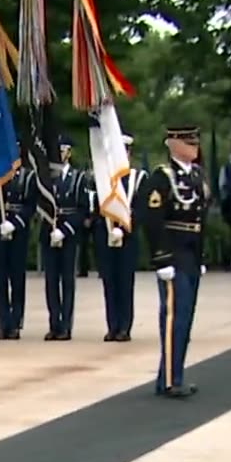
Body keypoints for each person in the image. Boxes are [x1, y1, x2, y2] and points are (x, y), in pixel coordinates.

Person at [140, 125, 210, 397]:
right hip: (174, 254)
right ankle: (170, 379)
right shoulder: (162, 177)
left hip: (191, 254)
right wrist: (162, 258)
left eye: (195, 142)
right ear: (172, 144)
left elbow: (201, 219)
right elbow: (153, 220)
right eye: (188, 142)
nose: (194, 146)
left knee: (186, 318)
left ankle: (172, 374)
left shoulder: (197, 176)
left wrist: (201, 255)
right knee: (174, 319)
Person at [94, 134, 145, 342]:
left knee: (124, 282)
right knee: (109, 282)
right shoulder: (103, 179)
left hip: (127, 239)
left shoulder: (138, 178)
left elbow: (141, 210)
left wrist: (124, 228)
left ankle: (125, 326)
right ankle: (112, 325)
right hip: (106, 237)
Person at [40, 136, 87, 340]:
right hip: (49, 232)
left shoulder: (78, 178)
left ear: (70, 153)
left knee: (67, 281)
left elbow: (82, 209)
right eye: (57, 149)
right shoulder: (46, 178)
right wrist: (51, 229)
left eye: (64, 149)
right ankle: (54, 324)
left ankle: (66, 325)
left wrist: (65, 230)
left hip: (68, 234)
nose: (60, 153)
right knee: (51, 281)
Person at [0, 161, 36, 339]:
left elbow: (31, 206)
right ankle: (2, 322)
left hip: (18, 232)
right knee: (0, 278)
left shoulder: (27, 177)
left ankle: (15, 321)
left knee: (16, 277)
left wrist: (15, 224)